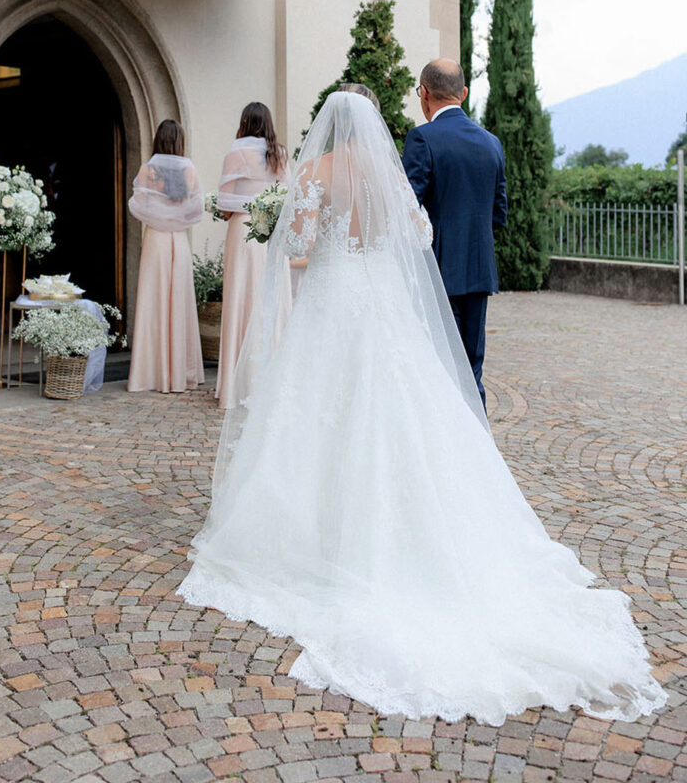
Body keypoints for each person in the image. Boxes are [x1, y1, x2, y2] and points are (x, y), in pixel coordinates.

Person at [176, 90, 666, 725]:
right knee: (404, 414)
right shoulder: (386, 171)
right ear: (376, 124)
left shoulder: (317, 172)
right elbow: (421, 232)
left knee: (315, 418)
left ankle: (316, 536)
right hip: (381, 310)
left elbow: (294, 244)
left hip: (330, 307)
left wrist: (303, 234)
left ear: (330, 122)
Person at [402, 59, 507, 409]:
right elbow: (499, 214)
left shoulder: (422, 138)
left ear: (424, 93)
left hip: (437, 274)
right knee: (471, 371)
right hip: (478, 273)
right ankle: (480, 452)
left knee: (438, 370)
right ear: (463, 93)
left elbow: (408, 209)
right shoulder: (492, 143)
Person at [216, 102, 290, 408]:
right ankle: (269, 381)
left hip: (243, 232)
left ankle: (236, 384)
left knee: (239, 301)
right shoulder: (280, 155)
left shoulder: (236, 154)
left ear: (244, 123)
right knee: (268, 301)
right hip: (271, 233)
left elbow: (224, 203)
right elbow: (287, 198)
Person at [127, 119, 204, 393]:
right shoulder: (189, 170)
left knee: (153, 301)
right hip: (178, 240)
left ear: (158, 140)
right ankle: (180, 372)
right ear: (178, 141)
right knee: (179, 301)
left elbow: (137, 206)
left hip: (156, 240)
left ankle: (151, 373)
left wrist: (160, 218)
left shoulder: (149, 170)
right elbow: (197, 209)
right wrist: (175, 219)